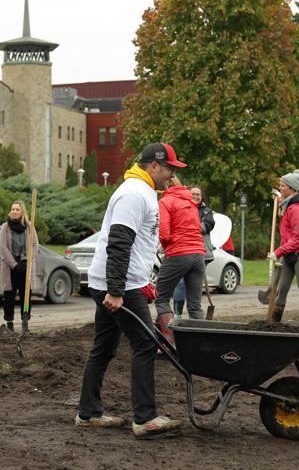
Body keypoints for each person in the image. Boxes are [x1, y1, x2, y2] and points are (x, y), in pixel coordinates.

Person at [75, 142, 185, 439]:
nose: (172, 176)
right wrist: (116, 290)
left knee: (105, 346)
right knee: (145, 344)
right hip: (118, 286)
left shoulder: (143, 192)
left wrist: (142, 279)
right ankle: (145, 418)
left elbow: (139, 245)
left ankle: (88, 413)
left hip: (121, 282)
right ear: (154, 166)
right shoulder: (133, 194)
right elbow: (119, 244)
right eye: (169, 169)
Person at [155, 182, 207, 340]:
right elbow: (198, 228)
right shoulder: (191, 202)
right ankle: (201, 342)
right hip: (198, 255)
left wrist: (166, 248)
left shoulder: (165, 201)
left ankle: (170, 341)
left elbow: (164, 234)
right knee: (195, 304)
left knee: (161, 297)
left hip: (179, 253)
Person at [267, 169, 299, 327]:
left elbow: (297, 238)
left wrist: (277, 252)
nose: (280, 187)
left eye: (282, 186)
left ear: (291, 188)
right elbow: (287, 235)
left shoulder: (297, 210)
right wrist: (278, 197)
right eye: (280, 185)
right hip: (289, 252)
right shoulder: (288, 205)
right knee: (281, 289)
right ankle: (274, 324)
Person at [172, 185, 215, 320]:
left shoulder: (207, 211)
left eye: (198, 194)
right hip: (183, 251)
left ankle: (194, 317)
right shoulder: (181, 208)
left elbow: (206, 226)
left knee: (194, 287)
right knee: (180, 283)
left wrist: (186, 224)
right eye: (193, 194)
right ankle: (177, 314)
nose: (196, 196)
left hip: (202, 253)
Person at [0, 200, 38, 334]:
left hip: (25, 267)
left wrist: (27, 260)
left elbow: (35, 246)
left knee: (25, 296)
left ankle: (25, 325)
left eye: (17, 209)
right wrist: (15, 265)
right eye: (13, 209)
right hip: (10, 268)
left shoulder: (29, 227)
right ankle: (9, 325)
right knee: (9, 296)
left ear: (22, 212)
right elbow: (3, 247)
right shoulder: (5, 227)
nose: (14, 211)